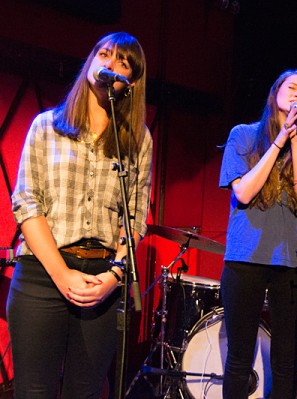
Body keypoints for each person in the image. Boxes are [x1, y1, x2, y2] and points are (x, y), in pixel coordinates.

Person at [8, 32, 153, 398]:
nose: (110, 64)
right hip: (44, 275)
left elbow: (134, 219)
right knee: (35, 391)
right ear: (90, 61)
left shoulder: (138, 141)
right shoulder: (46, 126)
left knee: (86, 392)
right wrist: (62, 274)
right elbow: (27, 204)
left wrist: (115, 276)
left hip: (102, 282)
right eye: (105, 54)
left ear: (130, 83)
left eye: (123, 62)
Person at [219, 69, 297, 398]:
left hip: (290, 262)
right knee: (239, 358)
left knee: (284, 362)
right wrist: (279, 142)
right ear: (276, 92)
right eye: (292, 88)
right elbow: (245, 193)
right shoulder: (243, 136)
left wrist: (295, 144)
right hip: (245, 258)